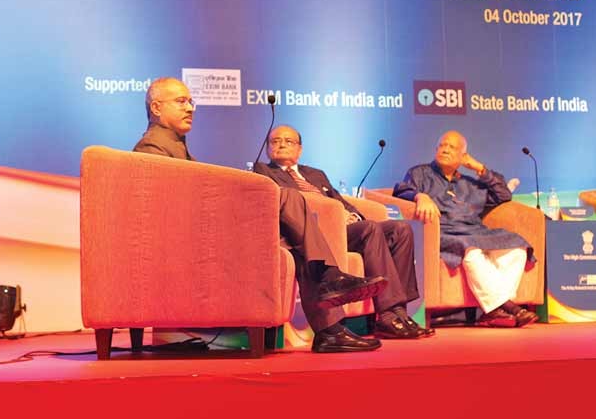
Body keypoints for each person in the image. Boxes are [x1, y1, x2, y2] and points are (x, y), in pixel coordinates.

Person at [134, 78, 386, 352]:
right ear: (157, 107)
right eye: (181, 101)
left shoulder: (175, 146)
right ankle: (330, 294)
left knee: (297, 243)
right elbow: (176, 206)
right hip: (191, 241)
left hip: (206, 230)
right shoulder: (152, 149)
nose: (190, 107)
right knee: (287, 198)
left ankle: (329, 327)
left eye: (190, 101)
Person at [254, 125, 433, 339]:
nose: (282, 144)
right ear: (267, 149)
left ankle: (399, 312)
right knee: (370, 229)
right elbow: (287, 204)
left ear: (300, 149)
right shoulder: (263, 171)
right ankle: (387, 316)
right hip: (315, 232)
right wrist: (338, 216)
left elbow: (339, 200)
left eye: (288, 141)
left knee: (400, 229)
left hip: (346, 228)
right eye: (275, 141)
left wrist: (353, 215)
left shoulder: (315, 174)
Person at [393, 130, 537, 327]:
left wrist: (479, 168)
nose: (445, 149)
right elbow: (401, 191)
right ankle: (505, 307)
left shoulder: (470, 184)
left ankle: (494, 311)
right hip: (443, 231)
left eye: (452, 147)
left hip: (475, 231)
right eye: (442, 145)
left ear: (463, 156)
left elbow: (503, 195)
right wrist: (420, 196)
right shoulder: (419, 173)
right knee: (471, 250)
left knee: (517, 247)